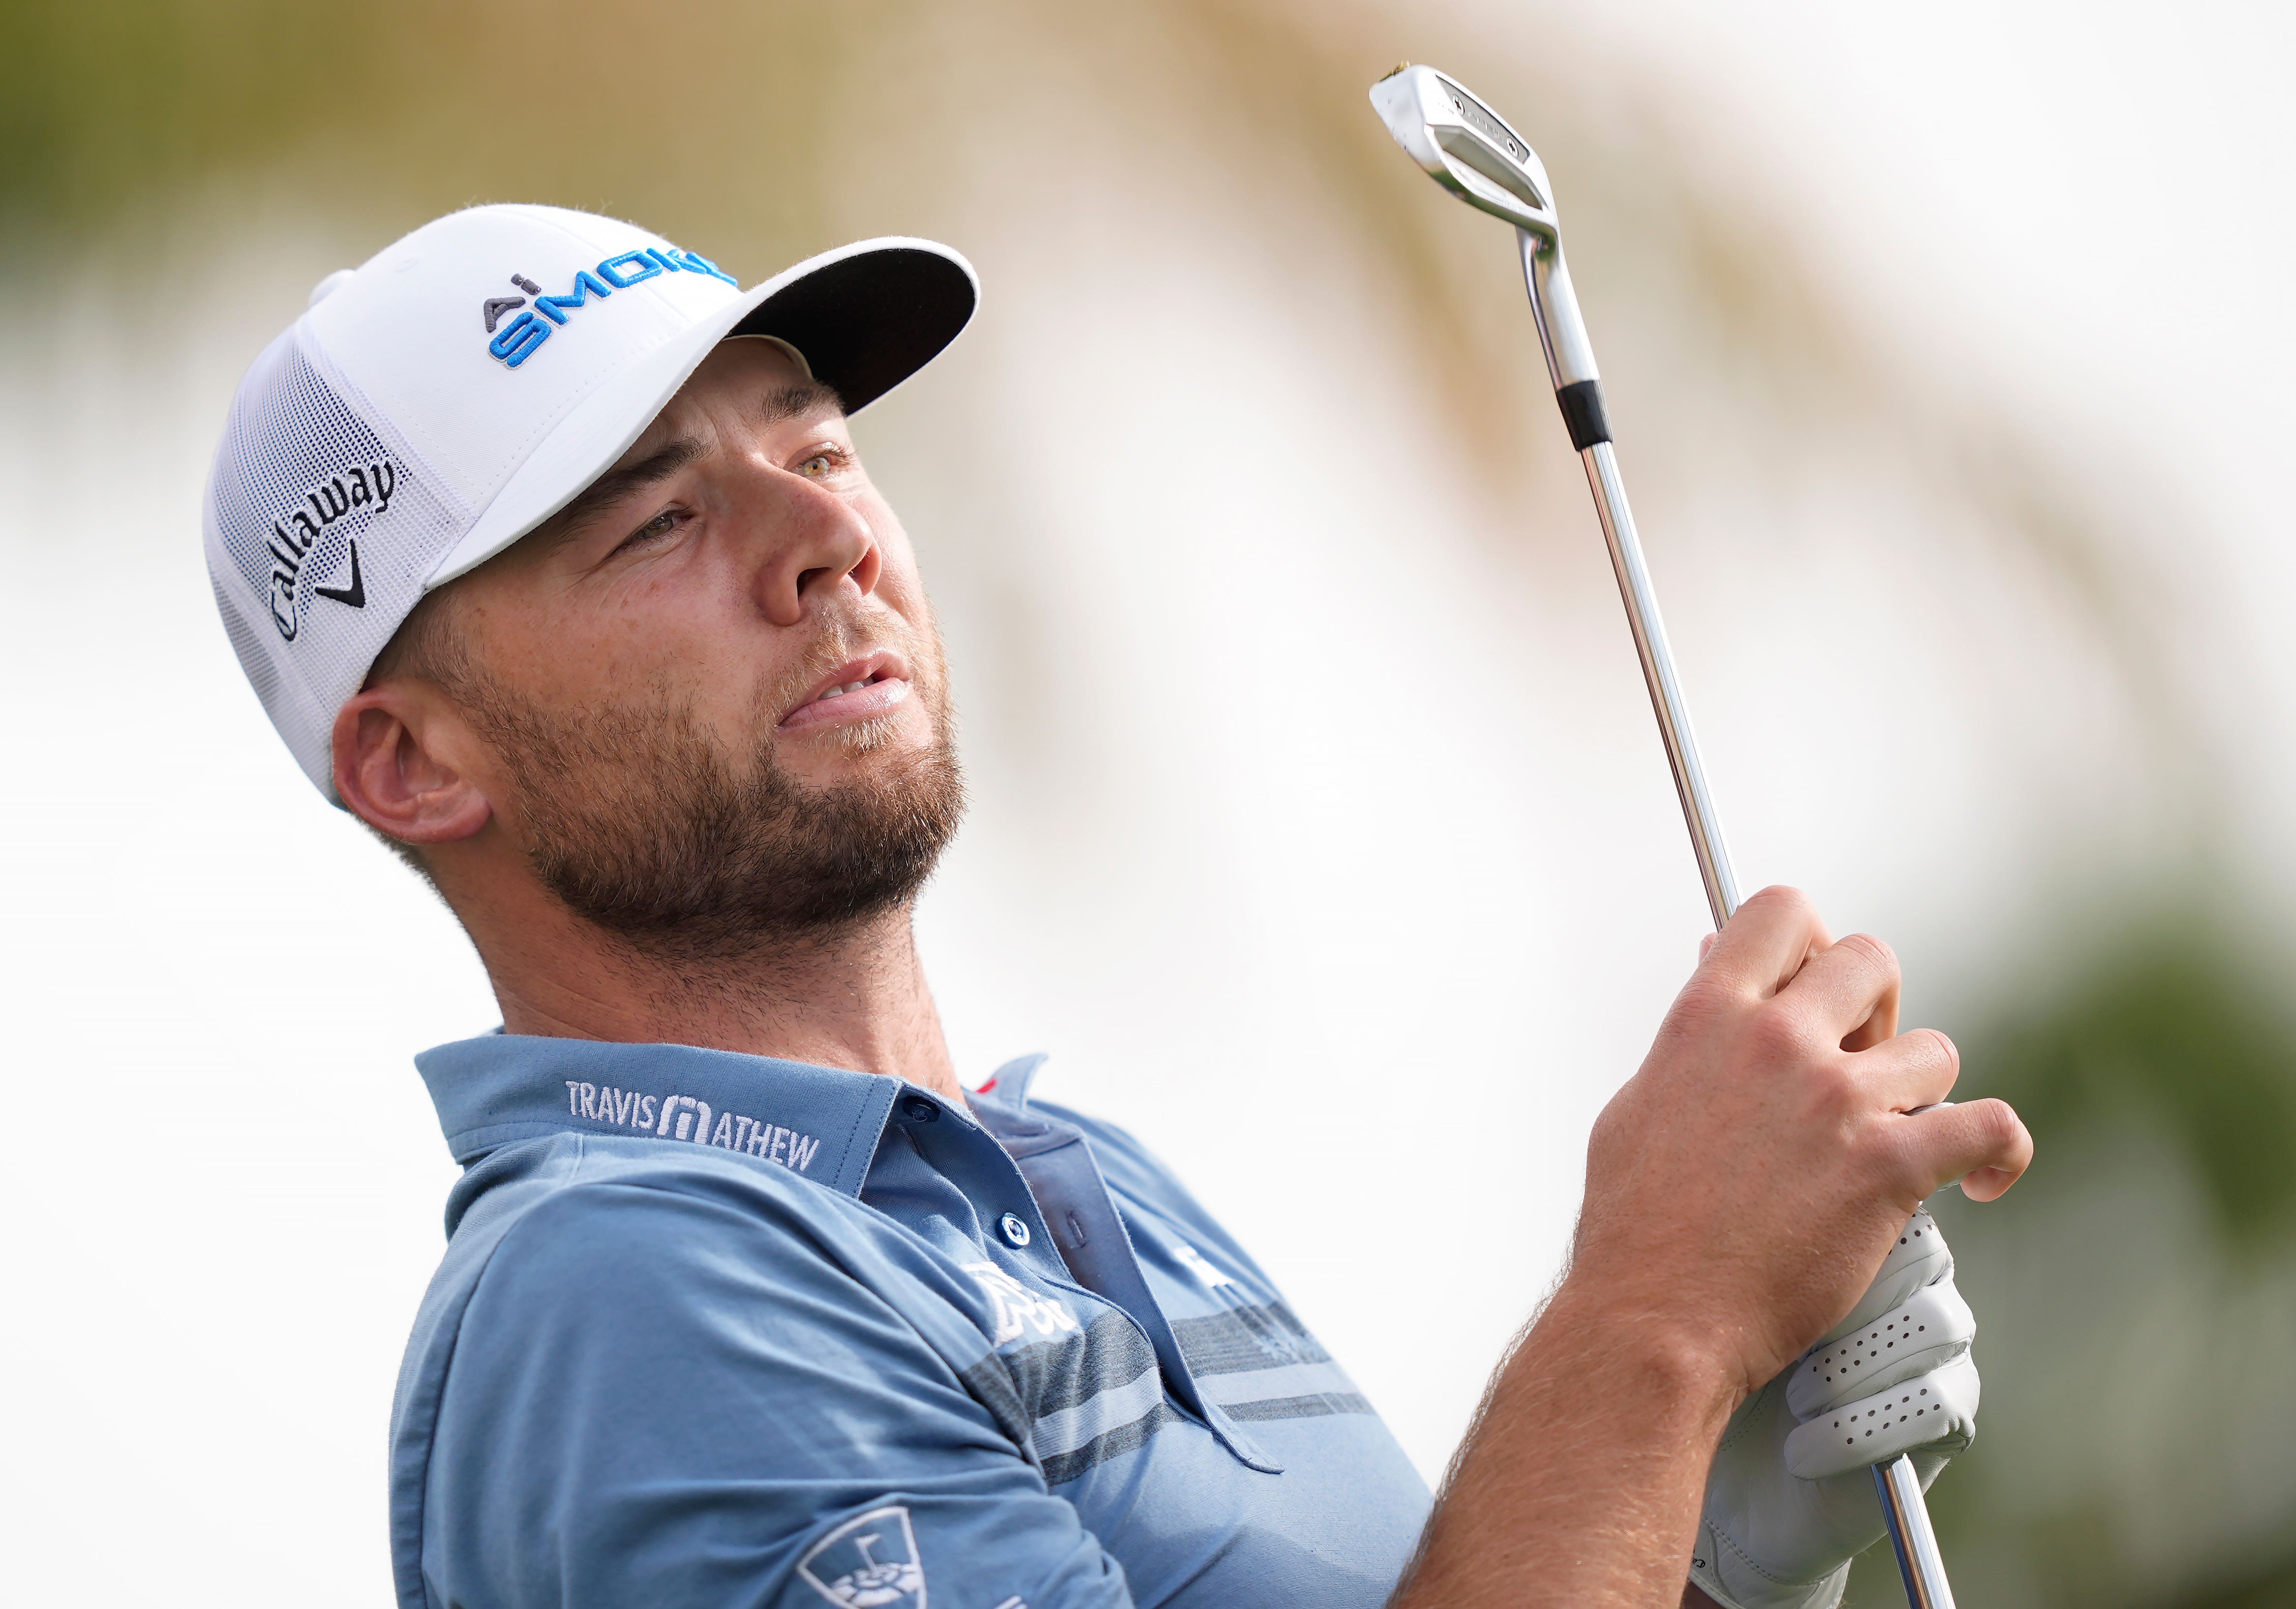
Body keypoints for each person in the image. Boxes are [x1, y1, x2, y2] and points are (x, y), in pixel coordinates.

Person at [203, 203, 2032, 1609]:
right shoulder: (628, 1302)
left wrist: (1686, 1538)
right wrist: (1653, 1326)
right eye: (653, 522)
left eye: (820, 447)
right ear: (413, 762)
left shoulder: (1085, 1181)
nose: (825, 536)